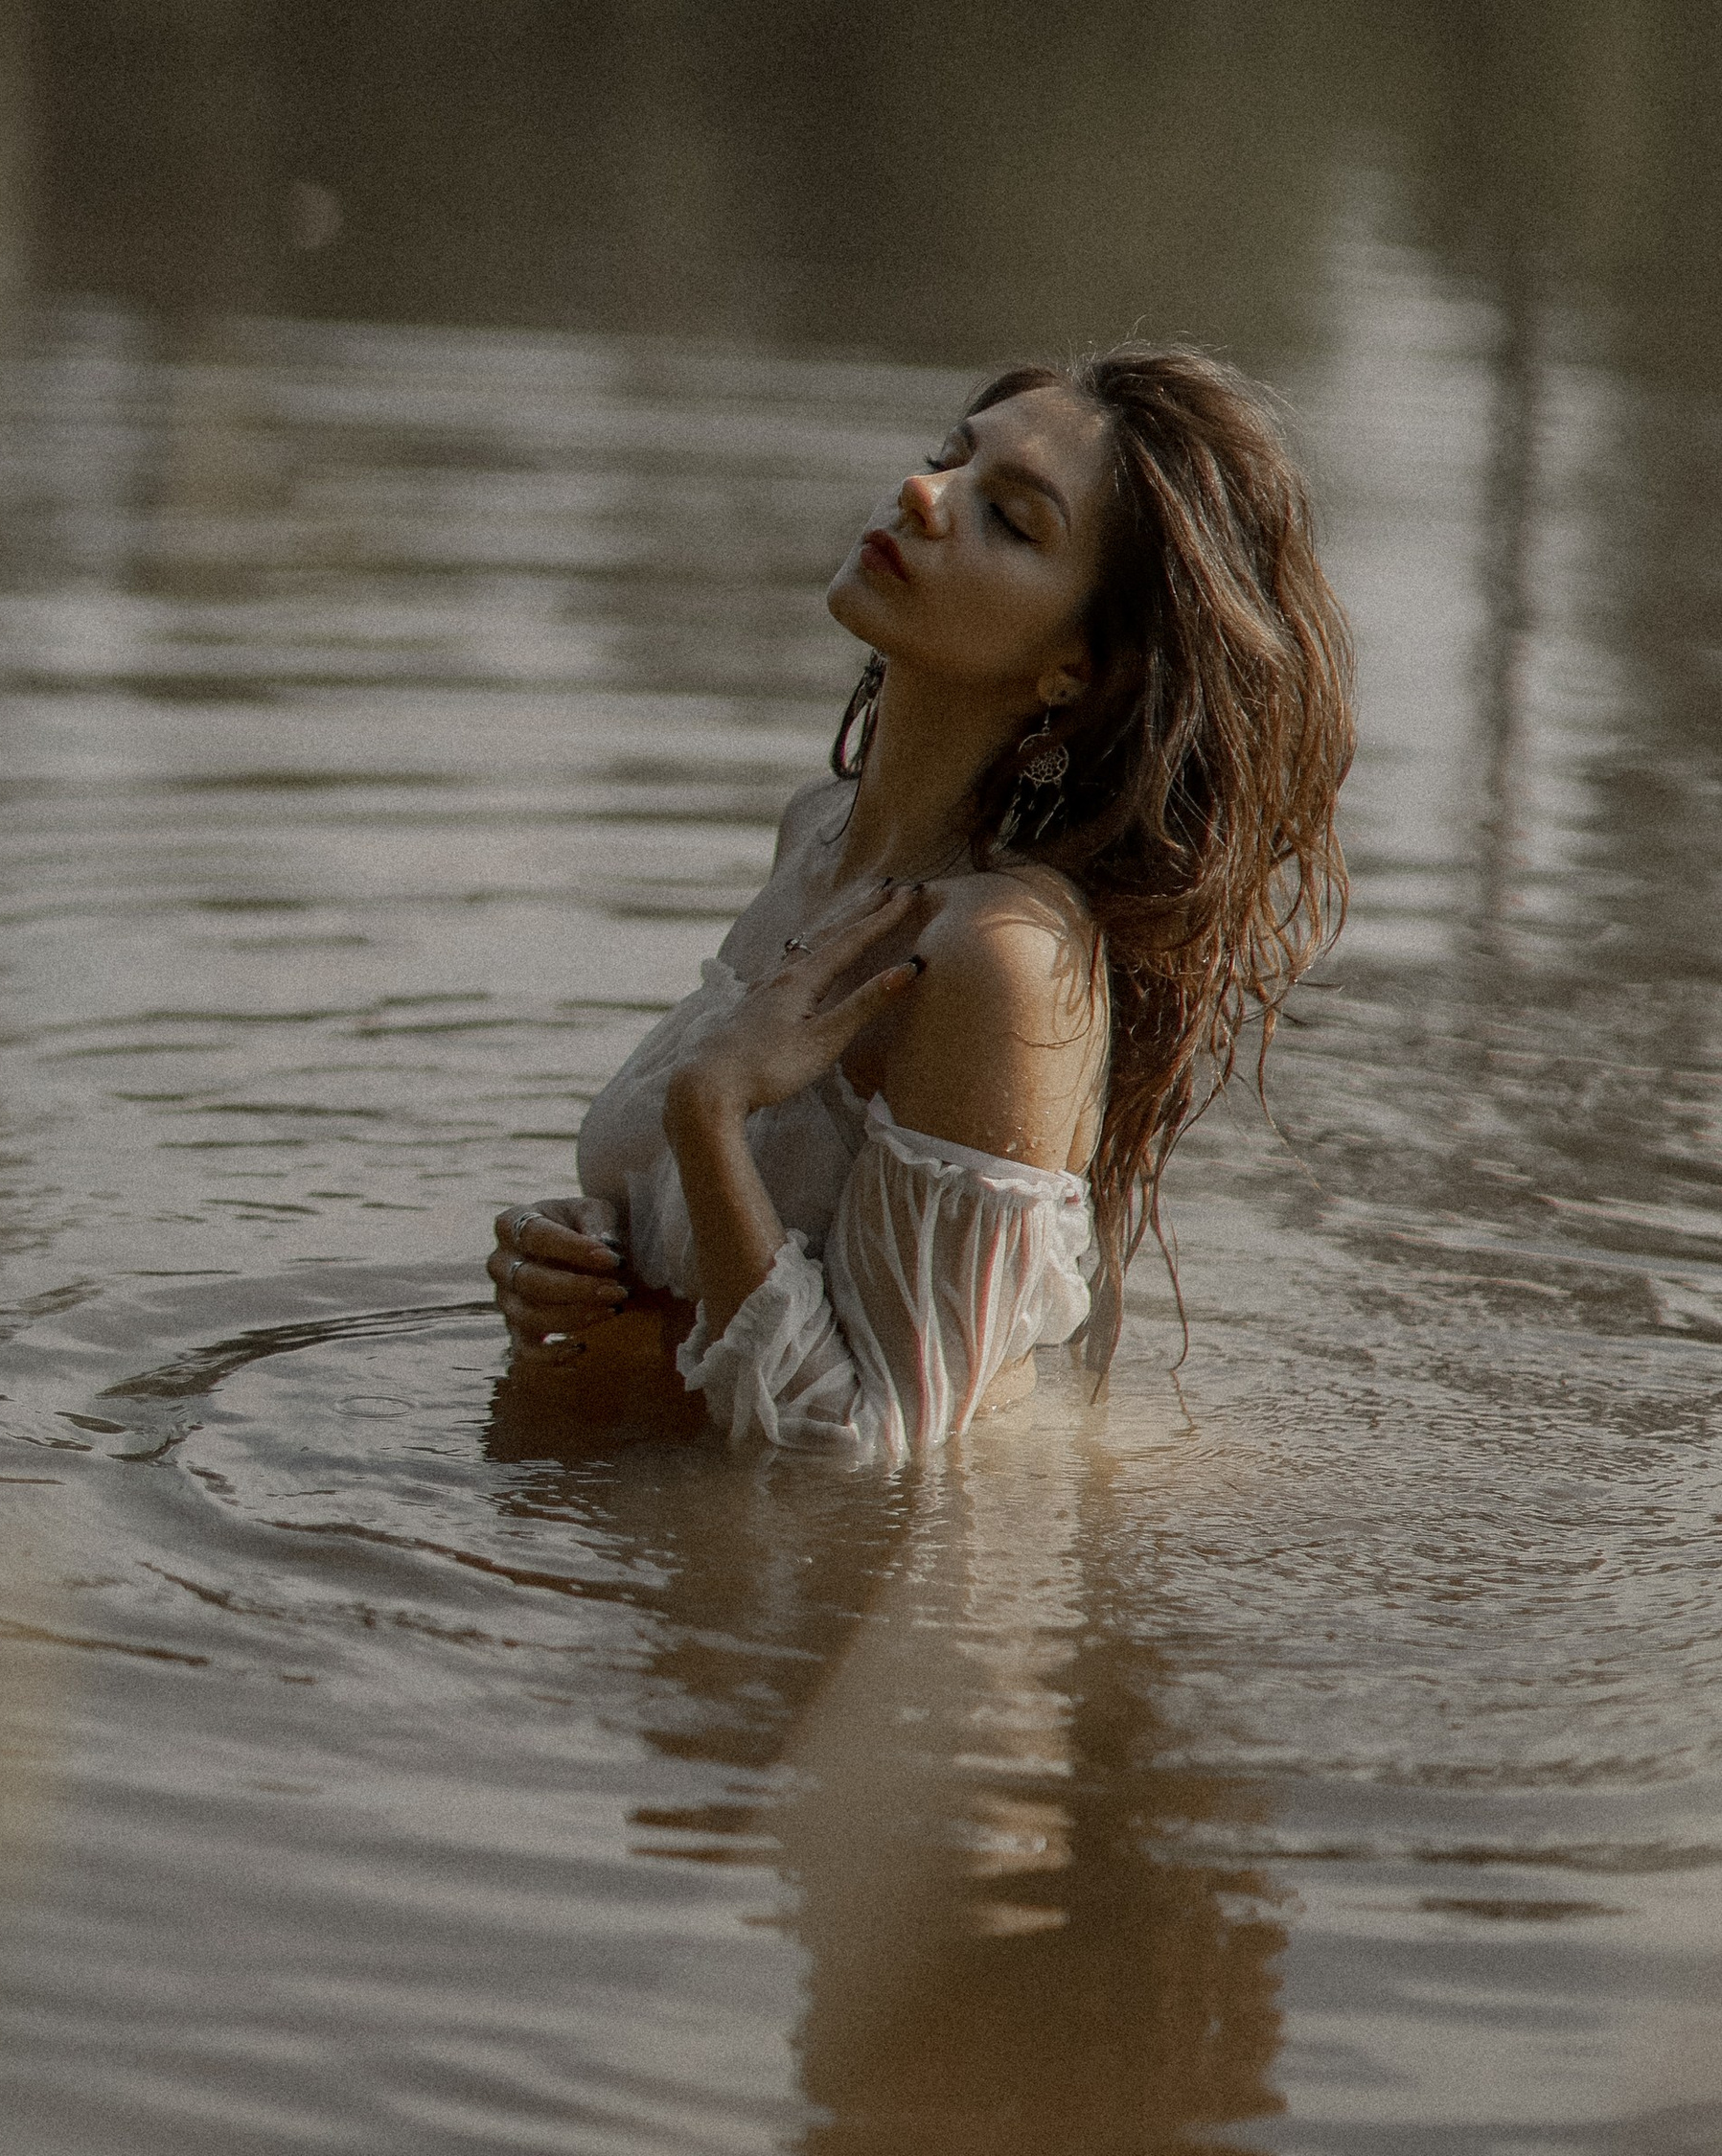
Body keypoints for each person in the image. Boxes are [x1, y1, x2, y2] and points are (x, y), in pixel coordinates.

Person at [486, 346, 1354, 1461]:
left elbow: (864, 1452)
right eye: (947, 459)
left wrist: (707, 1114)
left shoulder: (1002, 954)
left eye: (1009, 519)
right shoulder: (818, 831)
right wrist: (582, 1264)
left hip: (900, 1610)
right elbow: (754, 1256)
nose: (920, 495)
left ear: (1080, 671)